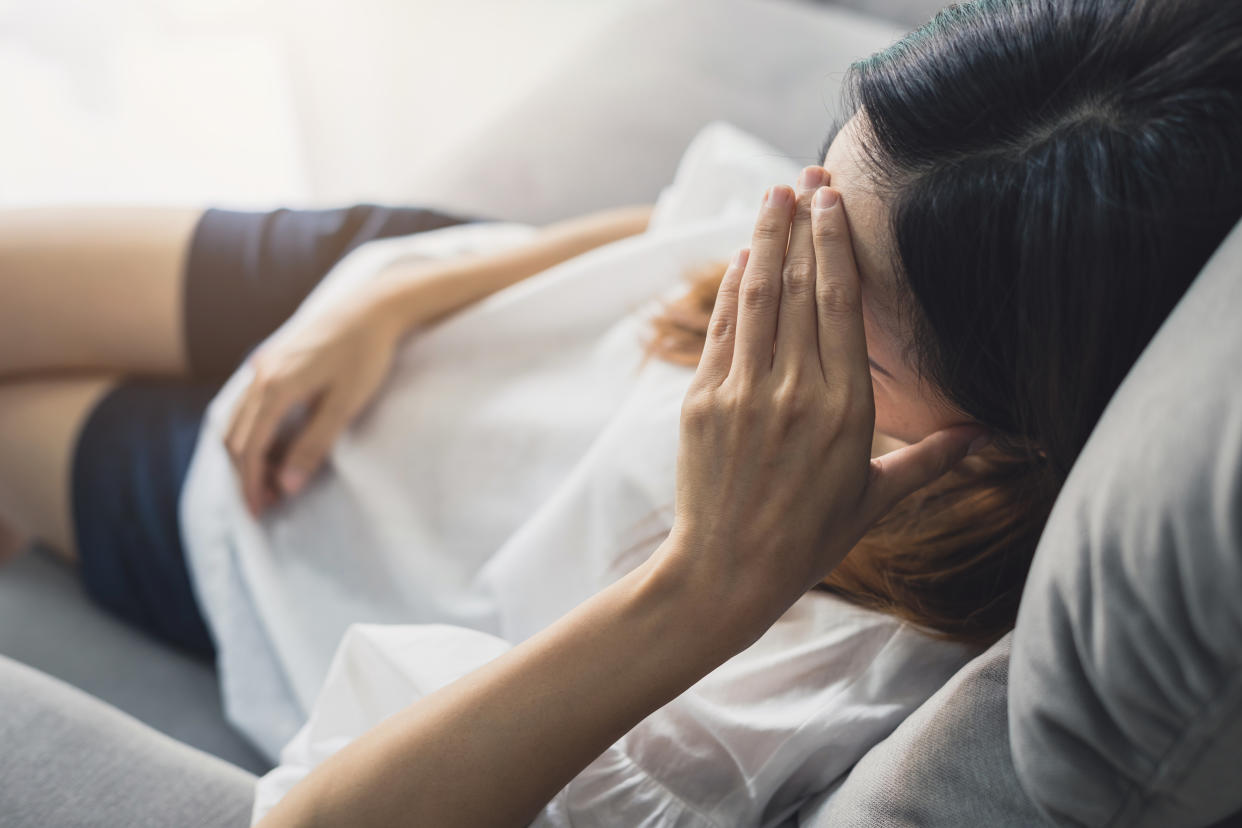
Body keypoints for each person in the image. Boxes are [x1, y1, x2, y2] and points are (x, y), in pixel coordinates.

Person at [2, 0, 1240, 824]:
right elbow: (689, 235)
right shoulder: (910, 239)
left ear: (1001, 439)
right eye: (806, 193)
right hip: (414, 303)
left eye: (817, 289)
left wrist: (707, 582)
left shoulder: (812, 683)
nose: (772, 260)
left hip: (280, 500)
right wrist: (420, 285)